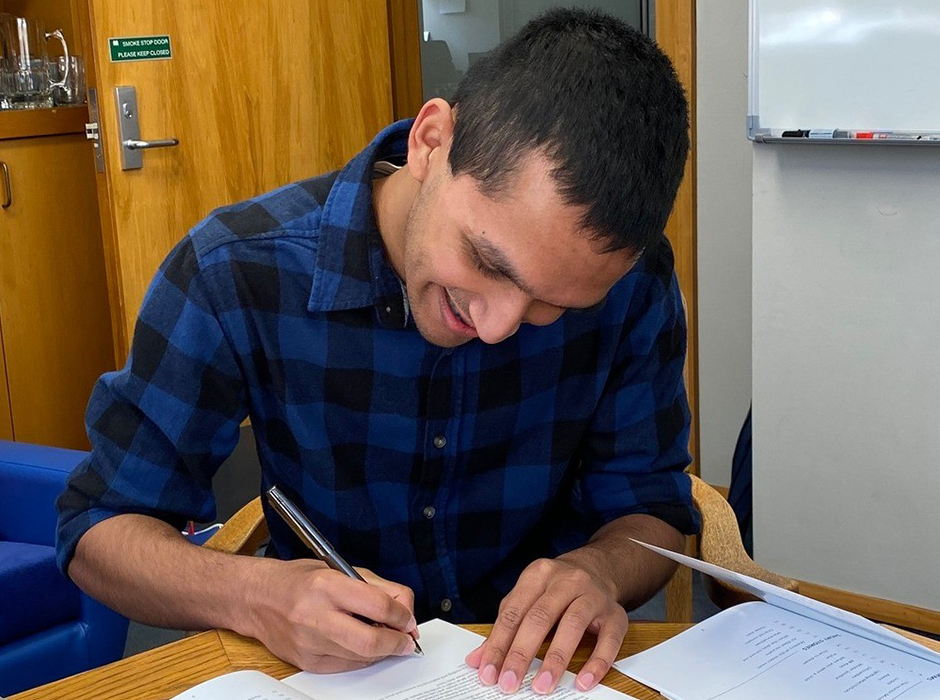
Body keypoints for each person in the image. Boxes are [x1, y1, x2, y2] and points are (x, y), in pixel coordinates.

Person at [56, 7, 698, 696]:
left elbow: (651, 505)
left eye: (555, 307)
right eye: (487, 261)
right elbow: (99, 528)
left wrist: (601, 568)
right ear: (430, 141)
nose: (499, 326)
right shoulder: (234, 272)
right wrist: (254, 594)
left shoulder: (634, 284)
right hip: (322, 674)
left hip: (529, 675)